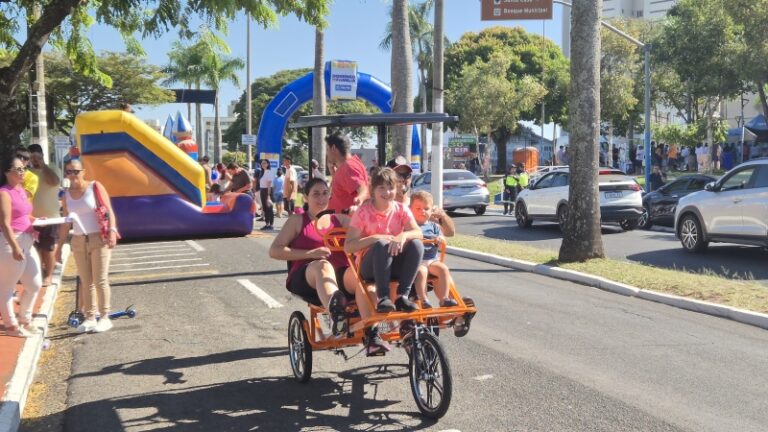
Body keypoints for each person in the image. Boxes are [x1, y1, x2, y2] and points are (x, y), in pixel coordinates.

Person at [269, 178, 357, 338]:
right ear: (305, 197)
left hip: (341, 276)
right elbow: (275, 251)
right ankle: (337, 316)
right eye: (316, 194)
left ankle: (377, 325)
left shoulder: (341, 220)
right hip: (307, 276)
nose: (321, 198)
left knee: (359, 274)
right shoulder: (297, 220)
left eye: (325, 193)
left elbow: (365, 233)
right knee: (323, 266)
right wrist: (310, 254)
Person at [345, 167, 424, 313]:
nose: (387, 192)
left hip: (394, 263)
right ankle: (383, 297)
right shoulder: (363, 212)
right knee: (381, 244)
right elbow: (348, 247)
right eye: (382, 188)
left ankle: (402, 296)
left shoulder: (401, 209)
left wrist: (403, 235)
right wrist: (375, 238)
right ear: (373, 190)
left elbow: (418, 232)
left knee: (417, 244)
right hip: (368, 267)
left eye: (391, 188)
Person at [55, 159, 119, 333]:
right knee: (86, 281)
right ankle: (90, 317)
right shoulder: (66, 194)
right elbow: (66, 222)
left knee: (100, 279)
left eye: (76, 171)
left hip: (98, 238)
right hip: (78, 240)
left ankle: (105, 316)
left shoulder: (95, 187)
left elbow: (109, 210)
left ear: (83, 171)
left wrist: (112, 231)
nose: (73, 175)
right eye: (69, 172)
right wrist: (59, 247)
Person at [0, 156, 43, 337]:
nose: (22, 172)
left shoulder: (22, 191)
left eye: (23, 168)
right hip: (11, 241)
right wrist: (15, 247)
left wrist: (37, 221)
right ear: (7, 173)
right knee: (7, 287)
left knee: (34, 284)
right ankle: (11, 326)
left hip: (28, 239)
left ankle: (25, 319)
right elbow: (5, 223)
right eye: (18, 169)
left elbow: (25, 215)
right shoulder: (4, 193)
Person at [410, 191, 457, 309]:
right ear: (410, 209)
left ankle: (444, 298)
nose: (423, 211)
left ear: (432, 210)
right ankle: (423, 299)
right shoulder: (409, 225)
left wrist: (440, 240)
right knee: (422, 272)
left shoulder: (434, 226)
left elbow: (444, 239)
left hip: (431, 259)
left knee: (444, 269)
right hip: (417, 261)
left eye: (426, 208)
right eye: (418, 208)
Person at [28, 144, 61, 287]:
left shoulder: (52, 168)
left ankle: (48, 275)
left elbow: (54, 181)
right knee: (35, 249)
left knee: (48, 248)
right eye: (32, 157)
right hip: (31, 219)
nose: (35, 160)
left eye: (38, 156)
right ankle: (39, 273)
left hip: (51, 217)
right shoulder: (26, 172)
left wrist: (43, 166)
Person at [326, 133, 369, 214]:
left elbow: (363, 189)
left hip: (346, 223)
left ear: (334, 148)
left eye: (327, 149)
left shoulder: (348, 167)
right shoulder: (347, 166)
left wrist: (359, 199)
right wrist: (333, 174)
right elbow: (344, 187)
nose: (327, 154)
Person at [257, 159, 275, 230]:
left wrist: (268, 195)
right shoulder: (262, 172)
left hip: (267, 191)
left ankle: (271, 225)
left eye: (264, 163)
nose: (262, 164)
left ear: (268, 164)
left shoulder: (269, 172)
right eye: (262, 163)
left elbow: (269, 184)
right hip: (262, 190)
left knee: (269, 208)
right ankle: (267, 224)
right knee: (264, 208)